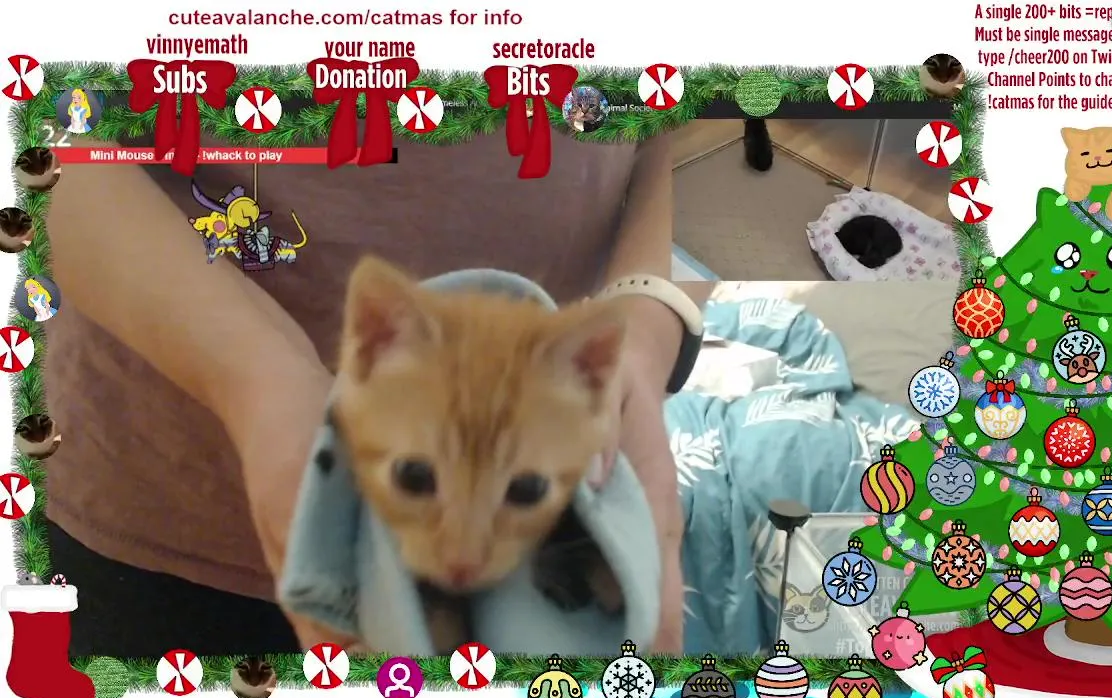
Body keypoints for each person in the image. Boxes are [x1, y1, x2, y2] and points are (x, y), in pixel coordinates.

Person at [44, 124, 705, 657]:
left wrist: (644, 317)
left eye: (524, 489)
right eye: (418, 475)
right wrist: (258, 378)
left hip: (537, 553)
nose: (463, 559)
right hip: (168, 506)